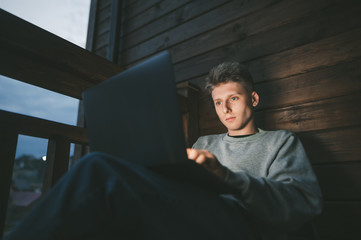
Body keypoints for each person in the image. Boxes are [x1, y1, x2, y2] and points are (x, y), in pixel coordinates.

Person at [5, 62, 322, 240]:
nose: (225, 108)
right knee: (106, 173)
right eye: (218, 102)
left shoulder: (280, 142)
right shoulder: (204, 144)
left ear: (252, 99)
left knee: (98, 169)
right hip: (190, 215)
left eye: (234, 99)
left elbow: (303, 202)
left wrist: (228, 177)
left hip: (244, 225)